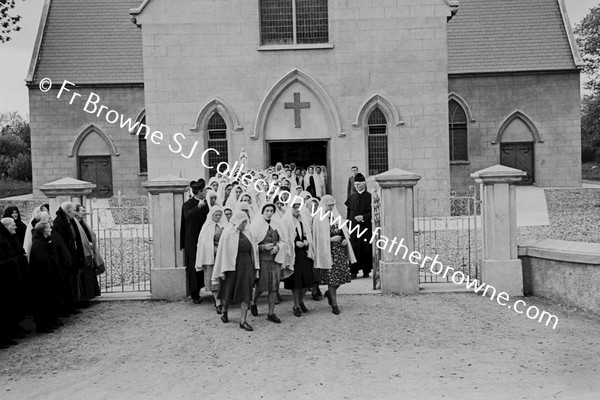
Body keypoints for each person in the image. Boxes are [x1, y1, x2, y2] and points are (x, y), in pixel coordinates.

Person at [212, 211, 259, 331]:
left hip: (246, 264)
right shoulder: (228, 233)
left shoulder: (248, 233)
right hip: (232, 266)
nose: (244, 224)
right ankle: (225, 310)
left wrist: (254, 267)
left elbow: (253, 250)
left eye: (245, 222)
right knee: (229, 290)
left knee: (246, 291)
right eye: (242, 222)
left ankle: (243, 320)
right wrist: (222, 270)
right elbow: (223, 253)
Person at [312, 195, 355, 314]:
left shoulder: (335, 216)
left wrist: (344, 238)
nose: (331, 207)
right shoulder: (319, 218)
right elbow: (317, 237)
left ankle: (330, 294)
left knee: (341, 276)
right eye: (329, 205)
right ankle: (334, 304)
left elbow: (343, 230)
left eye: (332, 205)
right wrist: (331, 239)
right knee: (332, 278)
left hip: (339, 250)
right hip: (328, 250)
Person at [249, 203, 290, 323]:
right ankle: (253, 302)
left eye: (271, 211)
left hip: (275, 260)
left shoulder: (277, 224)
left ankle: (271, 312)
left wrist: (278, 247)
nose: (269, 213)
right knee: (261, 286)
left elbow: (283, 240)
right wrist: (262, 247)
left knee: (274, 287)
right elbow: (252, 244)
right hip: (262, 260)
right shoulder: (256, 225)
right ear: (262, 211)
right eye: (267, 210)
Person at [29, 221, 64, 333]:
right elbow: (43, 261)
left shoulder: (45, 241)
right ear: (43, 230)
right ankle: (43, 324)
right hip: (43, 278)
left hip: (50, 276)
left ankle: (50, 321)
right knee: (43, 302)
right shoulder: (39, 244)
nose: (50, 230)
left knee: (50, 300)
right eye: (48, 228)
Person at [282, 198, 314, 317]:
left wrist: (306, 241)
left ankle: (301, 300)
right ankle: (296, 304)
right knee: (296, 281)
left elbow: (307, 234)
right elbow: (285, 237)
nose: (297, 209)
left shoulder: (302, 220)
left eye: (299, 207)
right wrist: (294, 243)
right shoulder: (286, 220)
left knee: (307, 279)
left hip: (303, 252)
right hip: (293, 253)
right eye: (294, 207)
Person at [180, 179, 210, 304]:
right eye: (204, 191)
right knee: (193, 265)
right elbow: (188, 216)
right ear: (199, 192)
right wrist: (198, 207)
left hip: (204, 238)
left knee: (203, 262)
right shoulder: (188, 204)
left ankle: (204, 286)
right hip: (192, 239)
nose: (206, 192)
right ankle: (194, 293)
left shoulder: (206, 203)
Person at [0, 217, 28, 346]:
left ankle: (15, 329)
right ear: (5, 227)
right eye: (12, 225)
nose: (15, 227)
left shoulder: (11, 238)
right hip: (6, 278)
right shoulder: (2, 240)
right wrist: (19, 259)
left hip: (15, 276)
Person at [53, 202, 85, 310]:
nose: (75, 213)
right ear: (67, 211)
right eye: (73, 210)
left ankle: (74, 302)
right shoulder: (59, 222)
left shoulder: (70, 221)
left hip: (73, 253)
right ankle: (68, 306)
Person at [195, 206, 225, 313]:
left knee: (223, 279)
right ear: (211, 215)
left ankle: (223, 299)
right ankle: (217, 301)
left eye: (219, 215)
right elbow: (203, 243)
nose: (218, 217)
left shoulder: (225, 225)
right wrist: (213, 248)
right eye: (215, 215)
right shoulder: (207, 226)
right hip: (212, 256)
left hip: (223, 256)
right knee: (213, 279)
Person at [345, 173, 373, 279]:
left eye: (359, 184)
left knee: (366, 248)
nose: (357, 186)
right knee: (354, 248)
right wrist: (348, 225)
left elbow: (373, 213)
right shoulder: (351, 197)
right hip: (353, 227)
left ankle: (366, 270)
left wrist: (364, 217)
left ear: (364, 184)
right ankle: (354, 271)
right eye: (356, 184)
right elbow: (348, 213)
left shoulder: (369, 196)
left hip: (365, 227)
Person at [73, 205, 101, 300]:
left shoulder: (82, 222)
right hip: (84, 252)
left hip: (89, 251)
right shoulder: (75, 223)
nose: (84, 212)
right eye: (82, 211)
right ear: (76, 212)